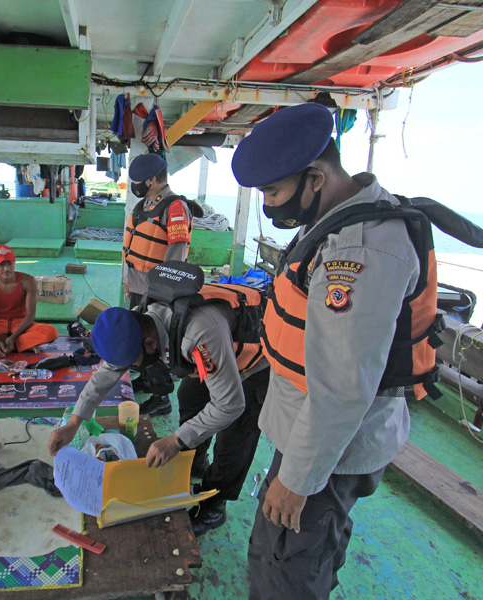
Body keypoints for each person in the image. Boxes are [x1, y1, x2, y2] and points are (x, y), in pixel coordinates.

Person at [231, 103, 441, 599]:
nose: (269, 206)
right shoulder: (332, 219)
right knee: (288, 555)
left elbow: (345, 386)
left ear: (316, 178)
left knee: (289, 571)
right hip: (313, 436)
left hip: (330, 454)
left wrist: (298, 479)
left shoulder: (360, 250)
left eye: (276, 192)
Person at [47, 265, 269, 535]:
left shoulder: (198, 334)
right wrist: (73, 423)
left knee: (235, 434)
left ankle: (214, 504)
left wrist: (175, 440)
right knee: (190, 395)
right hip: (215, 348)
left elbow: (230, 404)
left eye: (134, 364)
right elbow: (105, 375)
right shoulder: (139, 321)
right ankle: (195, 460)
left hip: (254, 360)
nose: (132, 368)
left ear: (151, 343)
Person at [122, 153, 204, 417]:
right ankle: (148, 380)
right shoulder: (144, 204)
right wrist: (128, 281)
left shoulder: (175, 207)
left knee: (154, 339)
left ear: (153, 179)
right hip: (137, 284)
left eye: (138, 181)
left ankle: (161, 397)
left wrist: (162, 293)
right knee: (138, 335)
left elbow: (177, 253)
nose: (134, 185)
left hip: (157, 290)